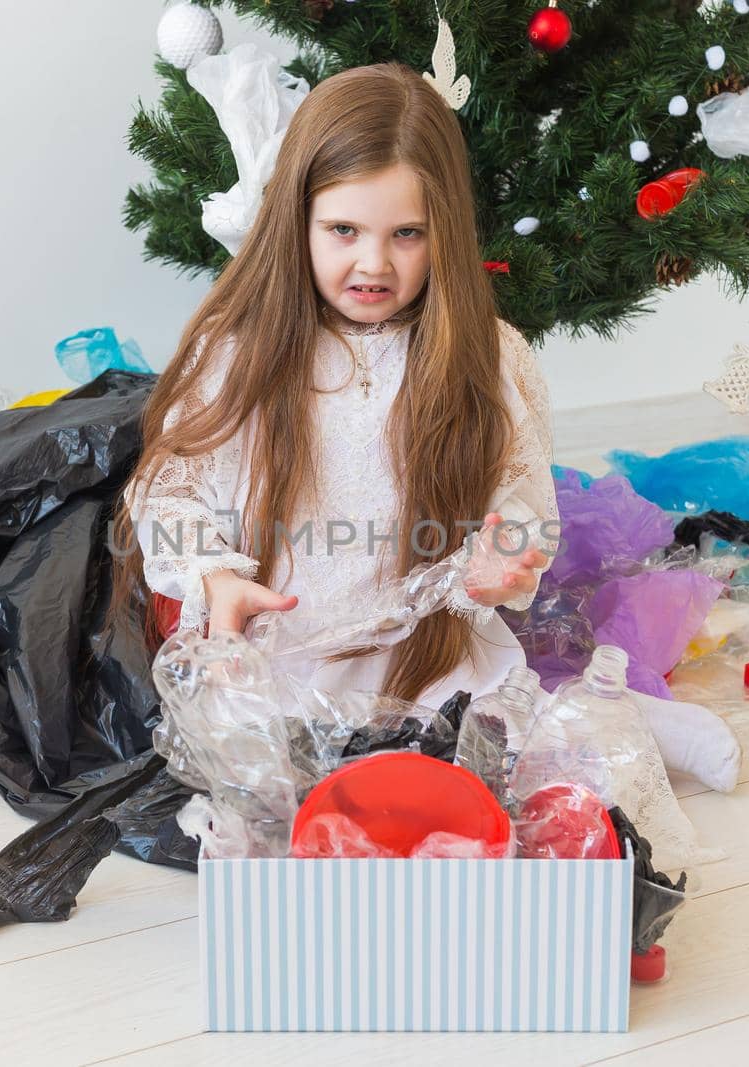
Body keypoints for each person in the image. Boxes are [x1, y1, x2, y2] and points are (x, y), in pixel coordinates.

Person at [111, 62, 558, 709]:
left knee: (503, 767)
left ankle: (648, 725)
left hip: (426, 659)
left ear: (445, 232)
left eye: (407, 234)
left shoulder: (486, 356)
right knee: (285, 797)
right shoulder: (242, 350)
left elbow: (521, 499)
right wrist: (212, 575)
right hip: (277, 658)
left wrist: (501, 557)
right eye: (344, 230)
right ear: (299, 219)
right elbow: (167, 493)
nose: (374, 263)